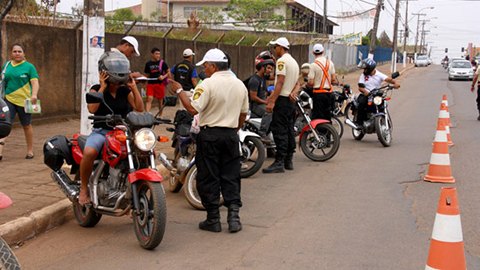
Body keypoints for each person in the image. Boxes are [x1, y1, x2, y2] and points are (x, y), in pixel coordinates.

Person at [170, 48, 249, 233]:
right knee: (231, 174)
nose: (204, 69)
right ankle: (233, 217)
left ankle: (213, 219)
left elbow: (192, 109)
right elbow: (243, 114)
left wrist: (179, 90)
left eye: (205, 66)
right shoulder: (239, 85)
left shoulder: (207, 85)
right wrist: (234, 130)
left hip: (210, 135)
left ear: (213, 66)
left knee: (209, 175)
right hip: (230, 135)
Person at [78, 51, 144, 206]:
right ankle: (83, 188)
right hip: (102, 131)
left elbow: (139, 108)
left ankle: (135, 196)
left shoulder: (124, 91)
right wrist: (102, 87)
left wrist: (133, 87)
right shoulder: (95, 89)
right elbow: (92, 109)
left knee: (143, 153)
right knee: (89, 152)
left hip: (124, 132)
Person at [263, 37, 299, 173]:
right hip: (290, 101)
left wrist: (272, 100)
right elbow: (297, 82)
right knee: (289, 130)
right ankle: (288, 160)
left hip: (282, 100)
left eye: (275, 47)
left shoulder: (282, 61)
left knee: (280, 131)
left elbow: (280, 82)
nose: (274, 50)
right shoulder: (294, 62)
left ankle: (279, 162)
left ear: (280, 47)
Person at [0, 44, 39, 161]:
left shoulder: (29, 67)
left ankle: (30, 151)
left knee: (26, 125)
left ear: (24, 53)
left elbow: (35, 83)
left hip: (25, 101)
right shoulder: (6, 66)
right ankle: (0, 152)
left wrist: (34, 95)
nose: (17, 53)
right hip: (8, 100)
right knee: (4, 125)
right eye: (15, 51)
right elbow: (2, 82)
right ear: (11, 53)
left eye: (19, 51)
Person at [356, 58, 400, 126]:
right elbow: (360, 87)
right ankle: (359, 124)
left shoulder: (379, 74)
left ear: (370, 68)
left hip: (376, 95)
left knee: (382, 105)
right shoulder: (363, 75)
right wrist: (366, 92)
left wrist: (395, 83)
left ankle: (383, 122)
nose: (364, 70)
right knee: (361, 104)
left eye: (366, 69)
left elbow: (388, 79)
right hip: (366, 94)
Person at [248, 51, 275, 140]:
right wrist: (266, 102)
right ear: (262, 67)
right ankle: (262, 132)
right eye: (269, 68)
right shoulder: (254, 80)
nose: (270, 71)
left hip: (262, 104)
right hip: (256, 106)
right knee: (269, 111)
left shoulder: (263, 77)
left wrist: (275, 62)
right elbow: (253, 97)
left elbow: (276, 76)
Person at [307, 43, 338, 121]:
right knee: (327, 116)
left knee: (318, 116)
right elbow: (334, 80)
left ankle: (319, 132)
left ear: (313, 53)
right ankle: (328, 131)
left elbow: (310, 83)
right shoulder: (330, 63)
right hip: (329, 94)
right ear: (323, 52)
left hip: (318, 95)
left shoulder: (313, 65)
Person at [144, 47, 170, 114]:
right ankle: (147, 114)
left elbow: (168, 72)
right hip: (150, 84)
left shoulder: (162, 63)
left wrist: (163, 77)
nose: (158, 55)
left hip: (159, 83)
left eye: (159, 54)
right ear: (152, 54)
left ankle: (160, 114)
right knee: (149, 98)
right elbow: (147, 74)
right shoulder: (148, 64)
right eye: (156, 54)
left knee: (160, 100)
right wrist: (144, 82)